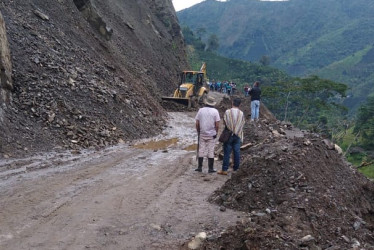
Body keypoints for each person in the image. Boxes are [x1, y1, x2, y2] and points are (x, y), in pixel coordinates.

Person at [218, 98, 245, 175]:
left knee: (227, 152)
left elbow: (225, 121)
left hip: (229, 134)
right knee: (236, 152)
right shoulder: (241, 113)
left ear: (232, 103)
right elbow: (242, 123)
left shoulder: (228, 112)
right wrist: (236, 131)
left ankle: (224, 170)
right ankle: (236, 169)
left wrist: (231, 128)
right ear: (240, 105)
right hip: (237, 135)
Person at [195, 96, 220, 173]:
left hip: (202, 133)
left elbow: (197, 123)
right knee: (210, 150)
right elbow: (217, 124)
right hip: (211, 134)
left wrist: (198, 131)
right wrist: (216, 132)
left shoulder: (200, 110)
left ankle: (199, 167)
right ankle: (210, 168)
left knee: (201, 150)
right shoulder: (215, 111)